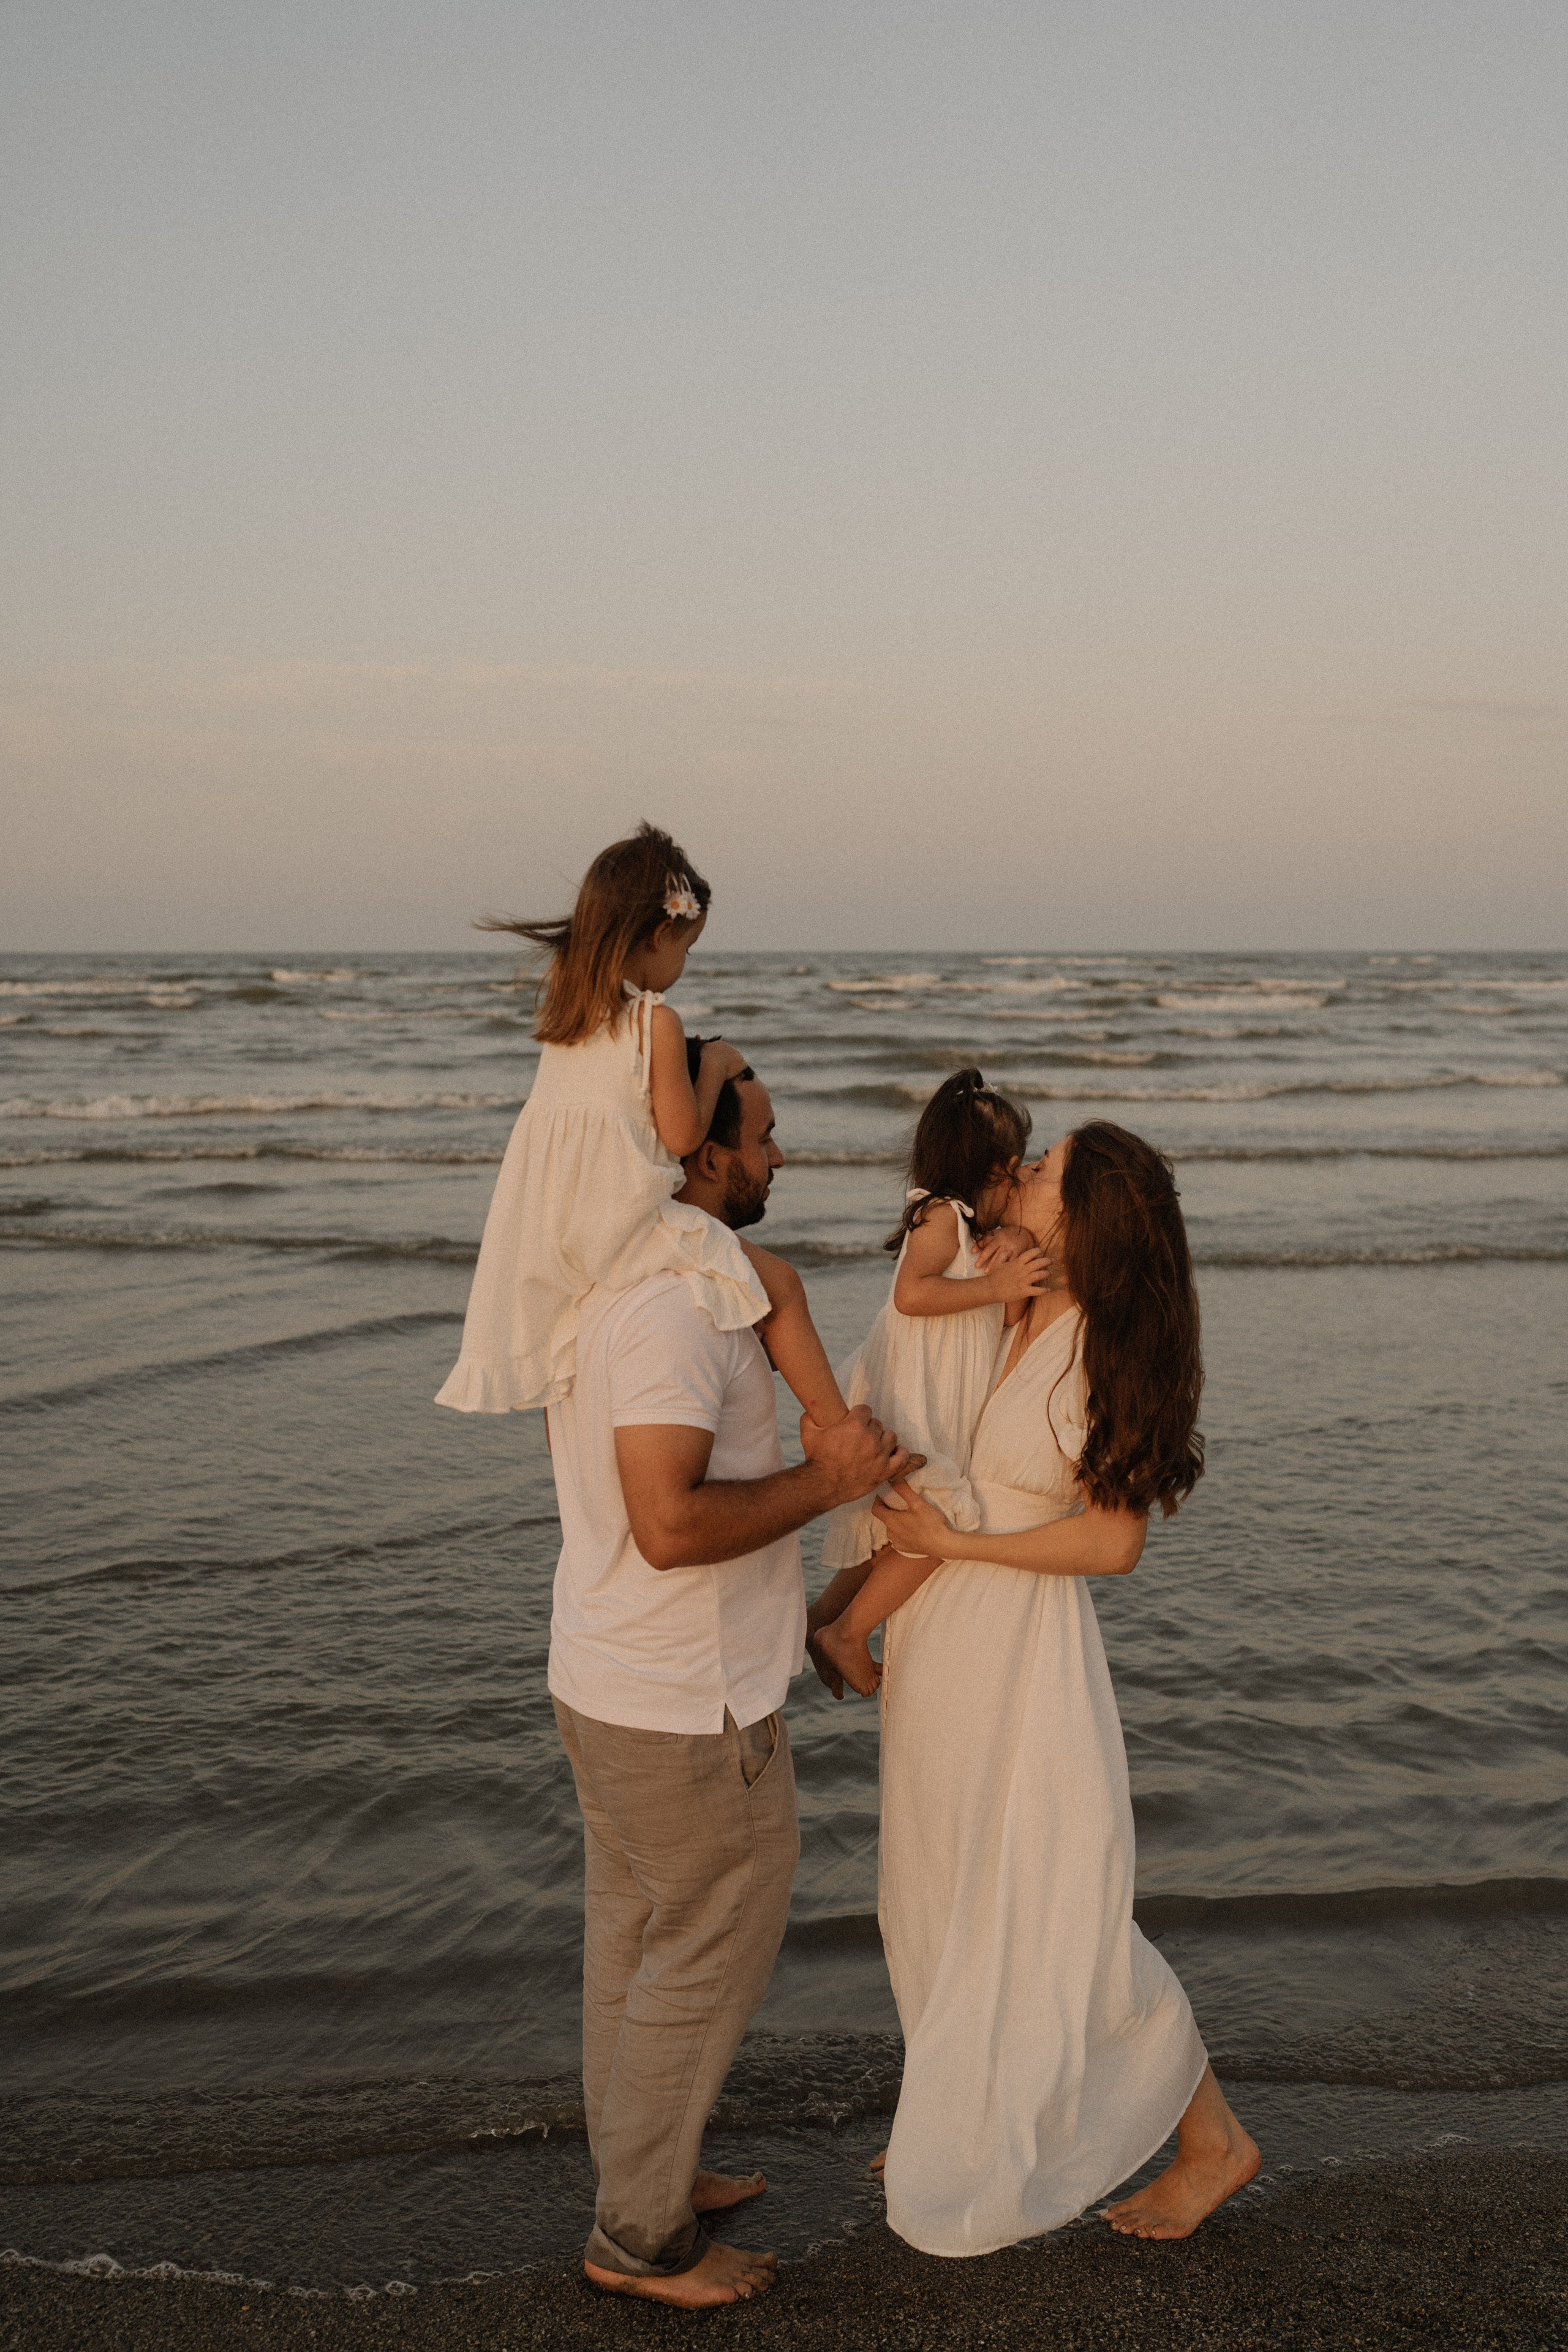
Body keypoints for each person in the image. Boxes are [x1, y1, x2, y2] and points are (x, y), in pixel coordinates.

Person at [811, 1121, 1261, 2253]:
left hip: (1020, 1645)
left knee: (1066, 1915)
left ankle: (1214, 2143)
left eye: (1048, 1169)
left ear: (1088, 1214)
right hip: (944, 1645)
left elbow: (1111, 1548)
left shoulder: (1100, 1344)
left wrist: (956, 1554)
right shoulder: (1006, 1298)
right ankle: (955, 2117)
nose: (1024, 1174)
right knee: (930, 1883)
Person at [545, 1053, 921, 2307]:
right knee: (704, 1956)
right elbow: (666, 1523)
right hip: (684, 1708)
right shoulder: (665, 1313)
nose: (777, 1159)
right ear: (701, 1157)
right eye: (761, 1139)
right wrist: (831, 1485)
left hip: (614, 1681)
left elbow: (769, 1300)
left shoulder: (654, 1276)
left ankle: (646, 2167)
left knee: (638, 1946)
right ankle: (640, 2240)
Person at [435, 822, 846, 1431]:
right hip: (619, 1224)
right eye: (686, 949)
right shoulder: (654, 1020)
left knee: (570, 1351)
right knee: (780, 1285)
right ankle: (838, 1430)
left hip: (555, 1228)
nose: (682, 965)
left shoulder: (568, 1023)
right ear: (659, 934)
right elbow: (682, 1137)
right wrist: (711, 1066)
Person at [811, 1069, 1051, 1699]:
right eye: (1019, 1173)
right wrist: (995, 1284)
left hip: (938, 1399)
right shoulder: (941, 1216)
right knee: (941, 1518)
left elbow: (1001, 1321)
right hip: (914, 1398)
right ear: (995, 1170)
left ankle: (822, 1619)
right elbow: (911, 1295)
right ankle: (848, 1631)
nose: (1024, 1184)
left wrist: (1011, 1259)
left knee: (896, 1522)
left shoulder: (973, 1233)